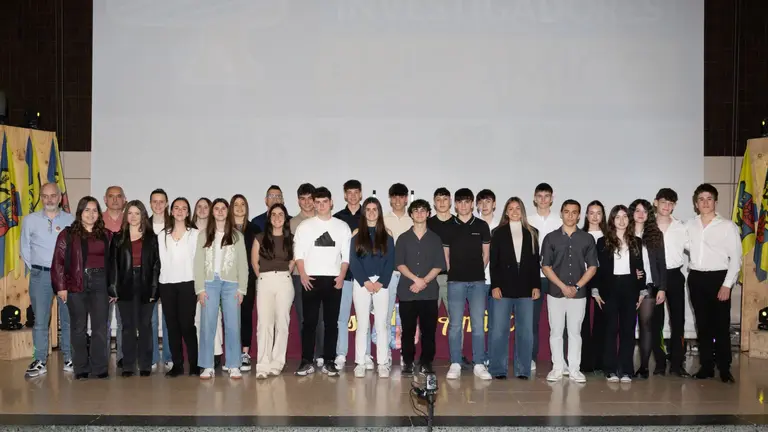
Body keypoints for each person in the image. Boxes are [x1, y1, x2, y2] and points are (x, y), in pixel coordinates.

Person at [51, 196, 114, 380]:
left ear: (99, 214)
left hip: (101, 283)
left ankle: (99, 367)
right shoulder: (67, 234)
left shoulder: (107, 235)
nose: (91, 214)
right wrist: (61, 287)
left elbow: (113, 264)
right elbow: (58, 262)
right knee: (78, 327)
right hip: (76, 283)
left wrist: (112, 288)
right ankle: (81, 368)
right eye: (87, 210)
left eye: (94, 210)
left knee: (100, 328)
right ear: (80, 213)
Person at [293, 186, 352, 377]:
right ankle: (306, 361)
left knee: (331, 323)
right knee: (309, 323)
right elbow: (299, 254)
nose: (320, 205)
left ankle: (329, 361)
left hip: (334, 279)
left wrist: (342, 276)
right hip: (310, 279)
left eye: (324, 202)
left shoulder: (342, 227)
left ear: (331, 202)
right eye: (317, 202)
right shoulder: (305, 226)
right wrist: (302, 274)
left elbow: (346, 256)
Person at [686, 184, 741, 383]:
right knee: (703, 325)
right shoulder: (689, 225)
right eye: (701, 199)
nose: (705, 203)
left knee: (721, 325)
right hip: (696, 278)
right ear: (695, 203)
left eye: (709, 199)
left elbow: (736, 259)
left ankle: (724, 368)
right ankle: (706, 366)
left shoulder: (727, 226)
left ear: (715, 202)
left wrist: (727, 284)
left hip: (719, 278)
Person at [21, 183, 75, 377]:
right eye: (45, 196)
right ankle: (40, 360)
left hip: (65, 277)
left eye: (53, 196)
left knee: (69, 319)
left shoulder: (71, 219)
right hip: (40, 275)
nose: (49, 199)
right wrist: (39, 267)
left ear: (60, 197)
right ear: (41, 198)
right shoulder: (30, 220)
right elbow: (25, 248)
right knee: (40, 321)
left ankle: (70, 358)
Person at [541, 199, 597, 384]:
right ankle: (558, 367)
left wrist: (577, 287)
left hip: (578, 294)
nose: (570, 215)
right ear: (561, 213)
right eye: (567, 211)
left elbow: (592, 267)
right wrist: (563, 287)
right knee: (556, 331)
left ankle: (574, 369)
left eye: (574, 212)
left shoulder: (587, 239)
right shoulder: (550, 238)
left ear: (579, 215)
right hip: (556, 293)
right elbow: (546, 266)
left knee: (575, 332)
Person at [195, 198, 249, 380]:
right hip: (209, 283)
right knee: (207, 324)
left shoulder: (237, 236)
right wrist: (199, 289)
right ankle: (207, 365)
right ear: (212, 212)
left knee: (233, 325)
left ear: (228, 211)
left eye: (223, 208)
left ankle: (233, 364)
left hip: (231, 284)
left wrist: (242, 289)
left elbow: (243, 264)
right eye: (216, 208)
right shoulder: (203, 235)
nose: (219, 211)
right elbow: (198, 264)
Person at [488, 197, 540, 380]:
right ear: (506, 212)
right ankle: (498, 369)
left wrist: (536, 285)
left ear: (522, 211)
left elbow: (535, 263)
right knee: (499, 330)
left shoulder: (532, 232)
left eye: (518, 208)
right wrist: (495, 286)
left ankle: (523, 369)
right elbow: (493, 263)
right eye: (511, 208)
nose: (515, 211)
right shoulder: (497, 233)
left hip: (526, 287)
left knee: (525, 330)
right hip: (503, 287)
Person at [593, 205, 646, 383]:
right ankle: (610, 369)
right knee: (610, 329)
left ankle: (626, 369)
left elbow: (640, 268)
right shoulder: (602, 241)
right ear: (612, 220)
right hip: (610, 288)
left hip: (630, 288)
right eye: (618, 217)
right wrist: (595, 291)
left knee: (628, 329)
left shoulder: (636, 241)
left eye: (625, 217)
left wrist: (641, 291)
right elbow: (598, 270)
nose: (621, 220)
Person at [443, 188, 492, 381]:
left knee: (478, 324)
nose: (463, 206)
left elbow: (486, 255)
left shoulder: (481, 225)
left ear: (472, 204)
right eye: (460, 202)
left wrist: (476, 270)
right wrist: (455, 271)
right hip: (455, 282)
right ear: (455, 205)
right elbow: (446, 255)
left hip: (478, 282)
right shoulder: (449, 226)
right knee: (455, 325)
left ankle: (479, 363)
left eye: (467, 202)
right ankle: (455, 362)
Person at [109, 200, 160, 377]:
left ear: (143, 215)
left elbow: (155, 266)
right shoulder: (118, 237)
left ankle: (145, 364)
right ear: (126, 215)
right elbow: (113, 265)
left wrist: (154, 290)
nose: (133, 217)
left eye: (137, 213)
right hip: (125, 285)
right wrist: (113, 289)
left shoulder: (152, 238)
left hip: (146, 284)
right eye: (130, 213)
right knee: (128, 327)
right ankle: (129, 364)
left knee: (145, 326)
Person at [397, 199, 445, 376]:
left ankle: (426, 362)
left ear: (428, 214)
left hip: (429, 293)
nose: (419, 214)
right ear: (411, 214)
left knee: (428, 331)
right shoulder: (403, 238)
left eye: (423, 211)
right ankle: (408, 362)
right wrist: (415, 280)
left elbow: (439, 264)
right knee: (407, 330)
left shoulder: (435, 238)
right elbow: (400, 264)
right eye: (415, 211)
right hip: (407, 291)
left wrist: (424, 281)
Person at [348, 197, 395, 378]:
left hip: (382, 284)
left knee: (382, 325)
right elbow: (354, 261)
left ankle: (382, 363)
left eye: (375, 209)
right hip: (362, 284)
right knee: (363, 325)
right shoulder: (357, 235)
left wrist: (380, 282)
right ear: (364, 212)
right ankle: (360, 362)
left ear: (379, 212)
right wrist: (366, 282)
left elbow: (390, 262)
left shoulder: (387, 235)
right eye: (368, 209)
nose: (371, 212)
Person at [157, 197, 200, 377]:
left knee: (187, 325)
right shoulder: (162, 235)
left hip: (188, 284)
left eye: (184, 208)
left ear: (188, 212)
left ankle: (195, 364)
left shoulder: (195, 234)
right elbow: (162, 261)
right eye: (176, 208)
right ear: (171, 211)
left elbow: (198, 262)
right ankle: (177, 364)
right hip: (166, 284)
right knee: (172, 326)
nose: (180, 211)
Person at [253, 203, 295, 379]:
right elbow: (255, 263)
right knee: (264, 324)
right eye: (274, 214)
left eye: (281, 215)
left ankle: (277, 363)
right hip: (265, 281)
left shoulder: (291, 238)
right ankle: (263, 364)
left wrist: (284, 275)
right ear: (269, 218)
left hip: (284, 280)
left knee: (282, 323)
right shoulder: (260, 238)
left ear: (285, 218)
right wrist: (263, 278)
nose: (277, 218)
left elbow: (293, 261)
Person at [653, 188, 691, 377]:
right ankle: (659, 362)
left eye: (670, 203)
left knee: (678, 320)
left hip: (675, 275)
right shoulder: (648, 226)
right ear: (655, 203)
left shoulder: (681, 227)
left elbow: (695, 248)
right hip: (654, 277)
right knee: (656, 321)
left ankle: (677, 362)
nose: (667, 206)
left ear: (674, 205)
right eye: (663, 202)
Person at [333, 180, 369, 371]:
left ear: (361, 194)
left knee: (364, 318)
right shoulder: (338, 218)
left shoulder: (369, 214)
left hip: (365, 275)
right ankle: (341, 353)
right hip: (345, 275)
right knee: (342, 316)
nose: (353, 196)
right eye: (349, 192)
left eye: (356, 192)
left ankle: (366, 355)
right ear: (345, 195)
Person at [289, 183, 325, 368]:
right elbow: (293, 251)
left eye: (310, 198)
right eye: (302, 199)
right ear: (298, 201)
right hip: (298, 275)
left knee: (321, 317)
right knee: (304, 317)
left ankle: (321, 353)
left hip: (322, 275)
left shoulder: (324, 220)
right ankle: (307, 356)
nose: (306, 202)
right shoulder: (293, 223)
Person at [630, 199, 667, 379]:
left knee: (646, 326)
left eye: (645, 211)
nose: (641, 214)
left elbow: (661, 263)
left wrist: (662, 288)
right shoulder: (624, 233)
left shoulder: (655, 234)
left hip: (650, 286)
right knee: (627, 327)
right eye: (637, 210)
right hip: (628, 287)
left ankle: (643, 367)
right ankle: (625, 365)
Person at [527, 183, 562, 372]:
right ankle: (531, 358)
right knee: (532, 321)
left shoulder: (560, 220)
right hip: (534, 278)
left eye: (546, 196)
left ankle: (561, 361)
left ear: (552, 198)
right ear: (534, 198)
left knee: (558, 321)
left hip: (557, 277)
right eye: (539, 196)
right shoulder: (527, 220)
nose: (542, 199)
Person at [382, 183, 413, 365]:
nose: (398, 200)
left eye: (401, 197)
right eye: (394, 197)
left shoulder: (414, 219)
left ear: (406, 199)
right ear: (390, 199)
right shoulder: (383, 220)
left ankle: (405, 354)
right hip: (390, 274)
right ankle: (384, 353)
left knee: (407, 316)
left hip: (409, 275)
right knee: (386, 315)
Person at [191, 196, 223, 368]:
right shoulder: (189, 231)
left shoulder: (215, 231)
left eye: (206, 207)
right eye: (199, 207)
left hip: (212, 280)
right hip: (193, 279)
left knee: (214, 317)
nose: (203, 210)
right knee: (198, 319)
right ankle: (202, 354)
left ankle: (216, 353)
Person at [231, 194, 261, 371]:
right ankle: (232, 352)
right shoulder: (224, 228)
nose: (240, 207)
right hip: (227, 280)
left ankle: (244, 353)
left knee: (246, 315)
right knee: (230, 317)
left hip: (248, 279)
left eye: (243, 204)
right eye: (236, 204)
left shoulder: (255, 229)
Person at [580, 200, 608, 373]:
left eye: (598, 213)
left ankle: (600, 360)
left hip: (604, 281)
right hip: (583, 279)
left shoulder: (609, 235)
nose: (595, 216)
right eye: (591, 212)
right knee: (582, 320)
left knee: (602, 321)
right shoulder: (580, 234)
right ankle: (585, 361)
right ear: (586, 215)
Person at [148, 189, 173, 371]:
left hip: (170, 277)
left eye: (161, 201)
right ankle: (153, 356)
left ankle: (168, 356)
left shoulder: (174, 224)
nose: (158, 205)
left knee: (168, 318)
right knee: (151, 319)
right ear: (150, 204)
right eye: (154, 202)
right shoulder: (144, 225)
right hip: (149, 279)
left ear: (166, 203)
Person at [103, 186, 125, 368]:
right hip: (102, 278)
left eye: (119, 196)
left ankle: (123, 357)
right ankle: (102, 357)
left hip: (125, 278)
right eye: (111, 196)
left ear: (124, 199)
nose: (115, 200)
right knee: (103, 321)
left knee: (124, 321)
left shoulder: (131, 220)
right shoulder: (97, 220)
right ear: (105, 199)